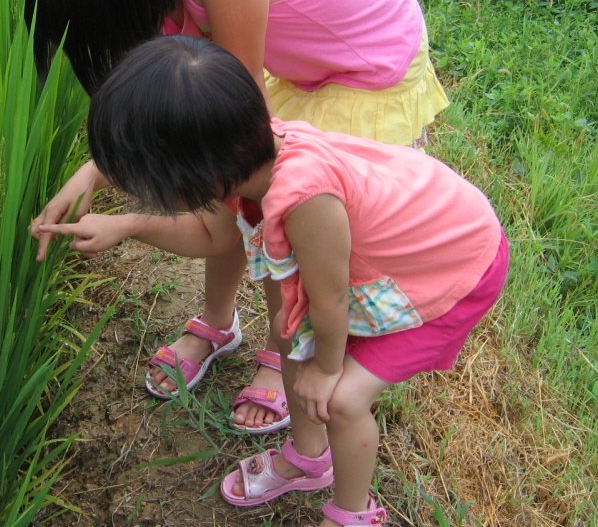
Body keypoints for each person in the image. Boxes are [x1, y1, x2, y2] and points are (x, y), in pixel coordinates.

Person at [37, 36, 508, 527]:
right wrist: (123, 224)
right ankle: (309, 459)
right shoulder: (248, 156)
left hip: (454, 268)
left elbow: (330, 301)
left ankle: (353, 514)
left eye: (150, 183)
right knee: (288, 329)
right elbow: (213, 236)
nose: (146, 191)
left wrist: (325, 369)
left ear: (196, 172)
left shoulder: (306, 200)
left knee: (342, 400)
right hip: (415, 236)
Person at [26, 0, 451, 434]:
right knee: (229, 190)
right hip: (302, 66)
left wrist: (135, 209)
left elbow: (238, 126)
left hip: (367, 64)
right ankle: (219, 323)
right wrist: (92, 172)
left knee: (275, 211)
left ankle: (285, 349)